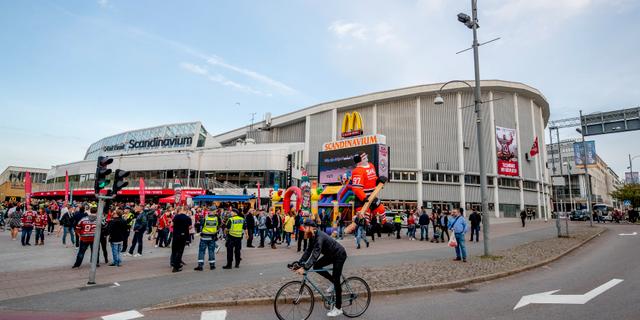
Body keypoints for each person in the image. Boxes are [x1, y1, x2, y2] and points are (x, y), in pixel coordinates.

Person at [293, 219, 348, 318]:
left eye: (305, 228)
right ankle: (333, 282)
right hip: (330, 255)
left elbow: (315, 254)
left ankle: (338, 308)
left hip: (339, 255)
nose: (304, 230)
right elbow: (308, 251)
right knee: (317, 266)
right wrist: (299, 263)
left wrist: (305, 268)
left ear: (311, 227)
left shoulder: (319, 237)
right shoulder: (313, 236)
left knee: (336, 280)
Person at [170, 207, 192, 272]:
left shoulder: (176, 217)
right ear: (186, 211)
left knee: (174, 250)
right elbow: (190, 227)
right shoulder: (188, 218)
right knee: (180, 251)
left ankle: (173, 263)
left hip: (175, 235)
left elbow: (171, 224)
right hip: (183, 236)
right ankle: (176, 267)